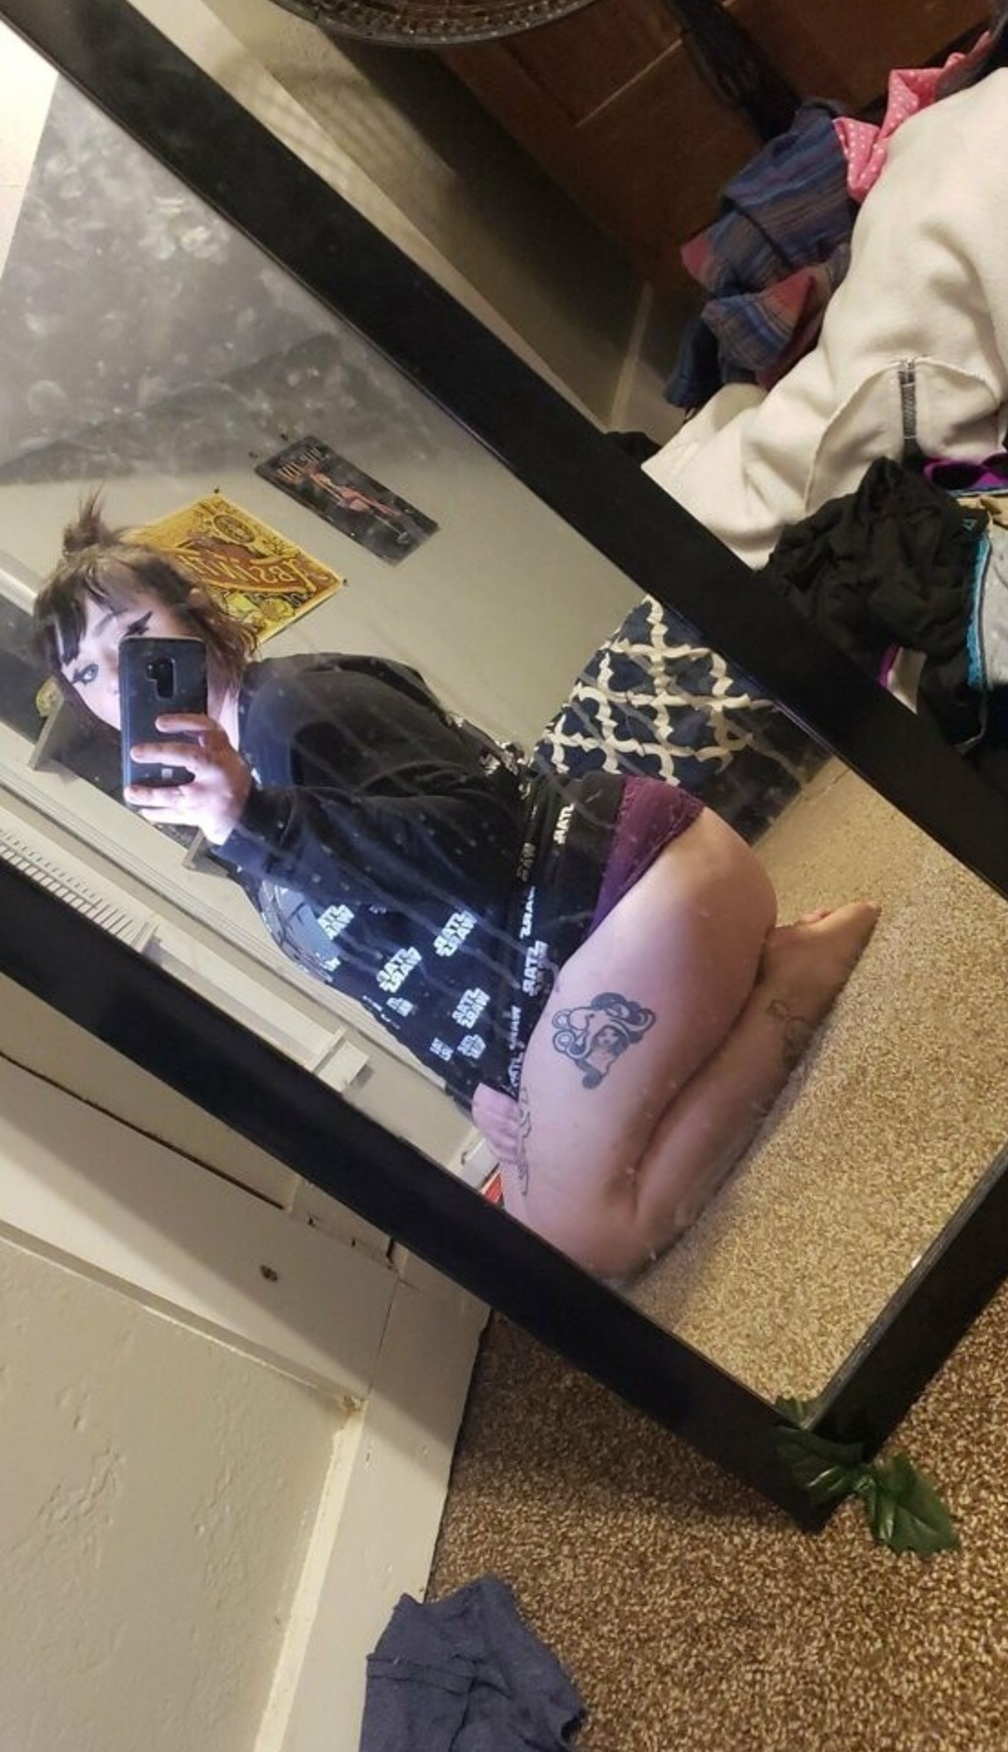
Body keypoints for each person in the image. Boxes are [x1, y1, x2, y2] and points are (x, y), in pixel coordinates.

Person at [34, 498, 879, 1281]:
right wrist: (478, 1086)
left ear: (193, 611)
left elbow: (482, 847)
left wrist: (260, 819)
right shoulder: (232, 796)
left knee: (590, 1238)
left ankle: (793, 975)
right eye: (87, 671)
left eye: (134, 633)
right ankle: (719, 1002)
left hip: (637, 891)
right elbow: (387, 961)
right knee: (521, 1232)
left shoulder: (292, 706)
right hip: (583, 956)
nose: (116, 673)